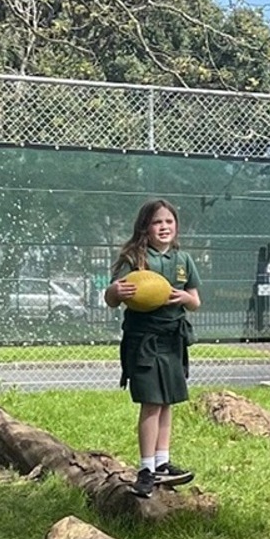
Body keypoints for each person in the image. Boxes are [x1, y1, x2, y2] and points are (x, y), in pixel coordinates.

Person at [104, 199, 202, 497]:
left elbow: (195, 301)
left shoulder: (183, 260)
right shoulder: (133, 258)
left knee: (167, 401)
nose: (164, 227)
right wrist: (114, 291)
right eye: (158, 222)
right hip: (143, 341)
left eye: (169, 222)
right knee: (151, 401)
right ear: (145, 227)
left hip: (173, 340)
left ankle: (162, 463)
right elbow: (111, 298)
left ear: (176, 227)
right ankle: (146, 470)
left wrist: (183, 298)